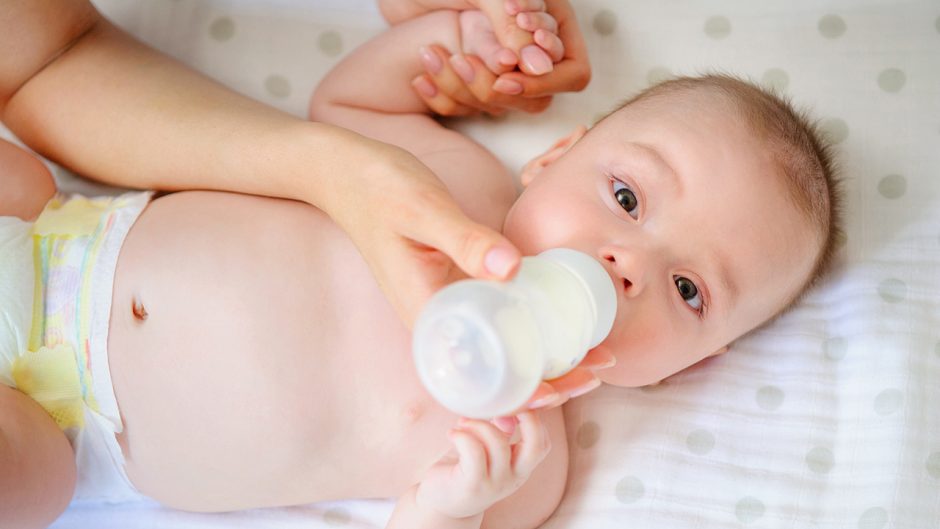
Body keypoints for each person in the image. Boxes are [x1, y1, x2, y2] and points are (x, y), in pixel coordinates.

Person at [0, 4, 841, 529]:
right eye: (625, 195)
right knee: (20, 178)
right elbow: (351, 108)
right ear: (551, 159)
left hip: (62, 424)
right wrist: (455, 43)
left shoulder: (521, 453)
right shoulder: (462, 182)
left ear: (690, 365)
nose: (629, 263)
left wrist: (451, 504)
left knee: (28, 484)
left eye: (688, 290)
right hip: (52, 239)